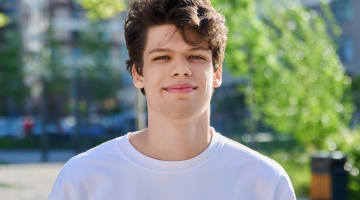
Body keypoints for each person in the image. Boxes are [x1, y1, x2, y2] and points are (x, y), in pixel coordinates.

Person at [49, 0, 296, 199]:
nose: (181, 69)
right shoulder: (82, 180)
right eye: (162, 57)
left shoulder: (265, 182)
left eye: (196, 56)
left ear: (217, 73)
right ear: (138, 74)